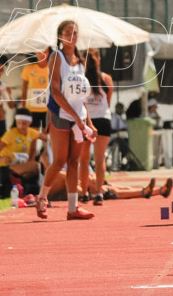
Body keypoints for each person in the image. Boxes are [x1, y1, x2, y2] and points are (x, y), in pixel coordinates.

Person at [35, 20, 98, 220]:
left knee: (74, 161)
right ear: (60, 35)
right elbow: (55, 91)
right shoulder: (56, 57)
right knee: (60, 159)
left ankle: (73, 208)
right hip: (60, 114)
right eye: (68, 32)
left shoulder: (80, 62)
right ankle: (42, 197)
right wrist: (74, 116)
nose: (72, 35)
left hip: (78, 117)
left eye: (75, 32)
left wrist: (89, 122)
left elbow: (82, 96)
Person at [81, 47, 114, 205]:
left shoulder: (82, 79)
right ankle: (99, 192)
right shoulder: (106, 78)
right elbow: (108, 100)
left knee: (84, 159)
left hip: (87, 120)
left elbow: (80, 101)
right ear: (99, 59)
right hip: (103, 118)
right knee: (100, 159)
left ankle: (84, 192)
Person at [0, 109, 47, 197]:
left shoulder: (32, 132)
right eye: (18, 123)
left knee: (33, 171)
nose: (21, 126)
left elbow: (49, 139)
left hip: (20, 166)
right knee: (36, 166)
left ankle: (35, 190)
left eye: (24, 123)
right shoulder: (10, 134)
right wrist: (2, 159)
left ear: (29, 123)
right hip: (5, 167)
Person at [20, 51, 51, 130]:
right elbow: (24, 89)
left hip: (49, 109)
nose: (41, 54)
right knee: (32, 136)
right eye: (38, 52)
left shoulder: (53, 67)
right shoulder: (28, 68)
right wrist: (23, 107)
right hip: (32, 109)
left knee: (47, 136)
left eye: (44, 52)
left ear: (49, 52)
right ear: (35, 53)